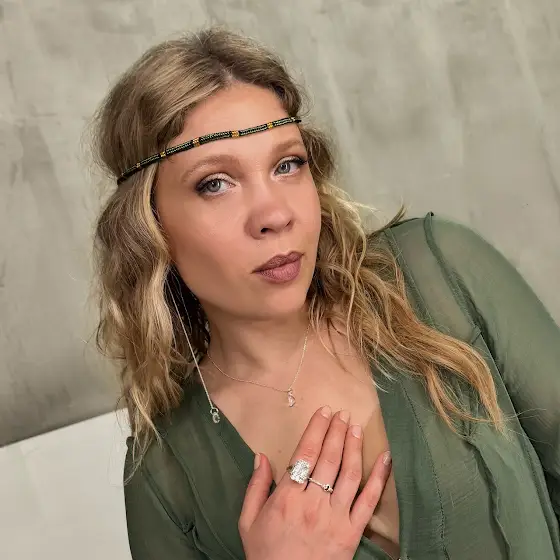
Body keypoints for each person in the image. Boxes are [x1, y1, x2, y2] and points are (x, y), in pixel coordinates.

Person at [90, 27, 560, 560]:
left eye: (287, 165)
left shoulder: (439, 274)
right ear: (148, 227)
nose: (275, 214)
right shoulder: (165, 478)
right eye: (215, 183)